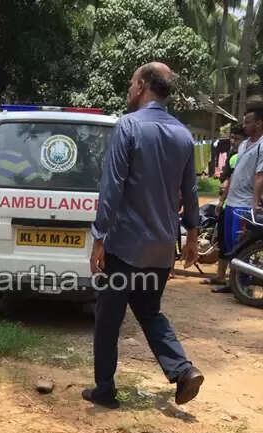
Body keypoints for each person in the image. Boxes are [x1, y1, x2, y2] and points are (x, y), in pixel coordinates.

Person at [83, 62, 204, 409]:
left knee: (108, 319)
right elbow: (190, 190)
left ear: (142, 86)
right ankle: (183, 370)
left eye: (131, 82)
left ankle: (105, 389)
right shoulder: (183, 134)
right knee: (149, 310)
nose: (129, 88)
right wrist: (192, 235)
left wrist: (99, 237)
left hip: (125, 246)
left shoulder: (129, 126)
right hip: (162, 248)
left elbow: (112, 188)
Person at [211, 109, 263, 294]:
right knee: (230, 244)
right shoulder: (243, 146)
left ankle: (244, 284)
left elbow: (260, 176)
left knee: (241, 244)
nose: (244, 125)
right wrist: (222, 200)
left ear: (259, 123)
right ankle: (233, 282)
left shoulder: (262, 146)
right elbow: (234, 174)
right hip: (231, 202)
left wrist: (254, 204)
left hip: (245, 204)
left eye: (248, 122)